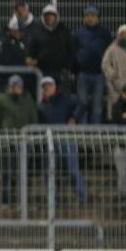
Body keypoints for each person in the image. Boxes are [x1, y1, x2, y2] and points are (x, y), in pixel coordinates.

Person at [0, 75, 38, 205]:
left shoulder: (27, 100)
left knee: (23, 172)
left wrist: (31, 136)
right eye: (14, 86)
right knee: (7, 172)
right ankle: (6, 200)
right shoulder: (2, 100)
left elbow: (33, 118)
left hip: (24, 141)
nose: (16, 88)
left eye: (18, 86)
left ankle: (22, 201)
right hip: (8, 141)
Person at [38, 76, 87, 204]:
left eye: (48, 86)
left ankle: (82, 198)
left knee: (72, 169)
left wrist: (74, 118)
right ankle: (53, 199)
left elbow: (82, 104)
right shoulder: (42, 105)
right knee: (50, 171)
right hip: (50, 141)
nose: (46, 89)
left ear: (54, 87)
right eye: (44, 87)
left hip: (66, 138)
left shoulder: (65, 99)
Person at [74, 5, 112, 123]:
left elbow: (110, 52)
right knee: (82, 103)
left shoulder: (105, 33)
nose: (90, 18)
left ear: (98, 18)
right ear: (84, 18)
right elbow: (73, 52)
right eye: (88, 16)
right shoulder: (78, 33)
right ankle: (82, 132)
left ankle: (96, 133)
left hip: (99, 74)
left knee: (97, 105)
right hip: (83, 74)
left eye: (93, 16)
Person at [26, 4, 75, 88]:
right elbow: (31, 50)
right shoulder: (37, 32)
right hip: (42, 71)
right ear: (43, 17)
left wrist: (68, 67)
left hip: (60, 71)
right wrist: (30, 59)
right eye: (47, 15)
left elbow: (71, 50)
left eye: (51, 15)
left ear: (56, 17)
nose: (49, 18)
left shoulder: (63, 31)